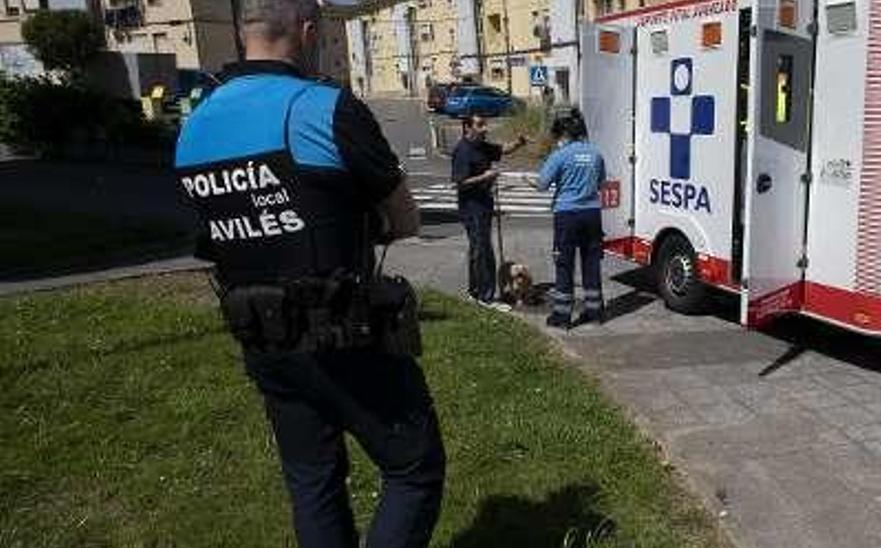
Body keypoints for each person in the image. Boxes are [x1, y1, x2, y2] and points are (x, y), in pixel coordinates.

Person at [173, 0, 446, 545]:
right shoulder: (323, 107)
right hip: (342, 332)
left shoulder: (195, 123)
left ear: (245, 31)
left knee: (313, 481)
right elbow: (406, 218)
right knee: (414, 467)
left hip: (260, 337)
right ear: (305, 31)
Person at [537, 110, 607, 328]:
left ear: (563, 134)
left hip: (567, 214)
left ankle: (562, 316)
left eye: (557, 136)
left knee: (564, 263)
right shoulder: (596, 153)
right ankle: (595, 312)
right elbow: (601, 182)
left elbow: (542, 184)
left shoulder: (560, 155)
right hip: (592, 213)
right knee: (591, 262)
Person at [451, 115, 527, 310]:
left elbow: (502, 150)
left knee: (479, 249)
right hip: (471, 207)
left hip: (484, 204)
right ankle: (485, 297)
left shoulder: (482, 146)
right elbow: (459, 182)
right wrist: (485, 176)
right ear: (468, 127)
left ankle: (475, 292)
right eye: (480, 125)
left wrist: (519, 143)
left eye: (485, 124)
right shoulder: (463, 150)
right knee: (482, 251)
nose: (485, 128)